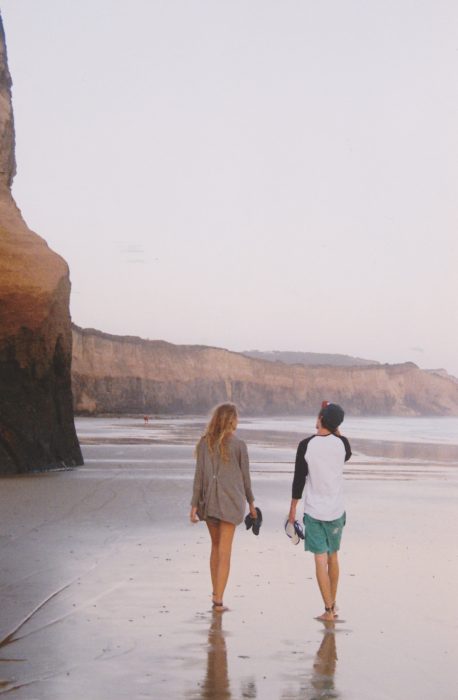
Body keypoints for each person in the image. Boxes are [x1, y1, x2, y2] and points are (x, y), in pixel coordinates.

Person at [190, 403, 257, 612]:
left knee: (216, 548)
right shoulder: (239, 445)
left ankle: (215, 593)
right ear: (231, 421)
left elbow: (198, 476)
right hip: (230, 502)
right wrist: (252, 504)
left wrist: (194, 504)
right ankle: (218, 600)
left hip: (209, 502)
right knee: (224, 552)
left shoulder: (203, 444)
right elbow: (245, 479)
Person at [288, 401, 351, 621]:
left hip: (314, 512)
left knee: (319, 560)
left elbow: (298, 481)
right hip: (336, 511)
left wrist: (292, 510)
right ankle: (332, 604)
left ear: (321, 419)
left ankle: (328, 611)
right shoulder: (343, 445)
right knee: (333, 557)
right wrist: (333, 426)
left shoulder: (306, 445)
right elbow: (343, 446)